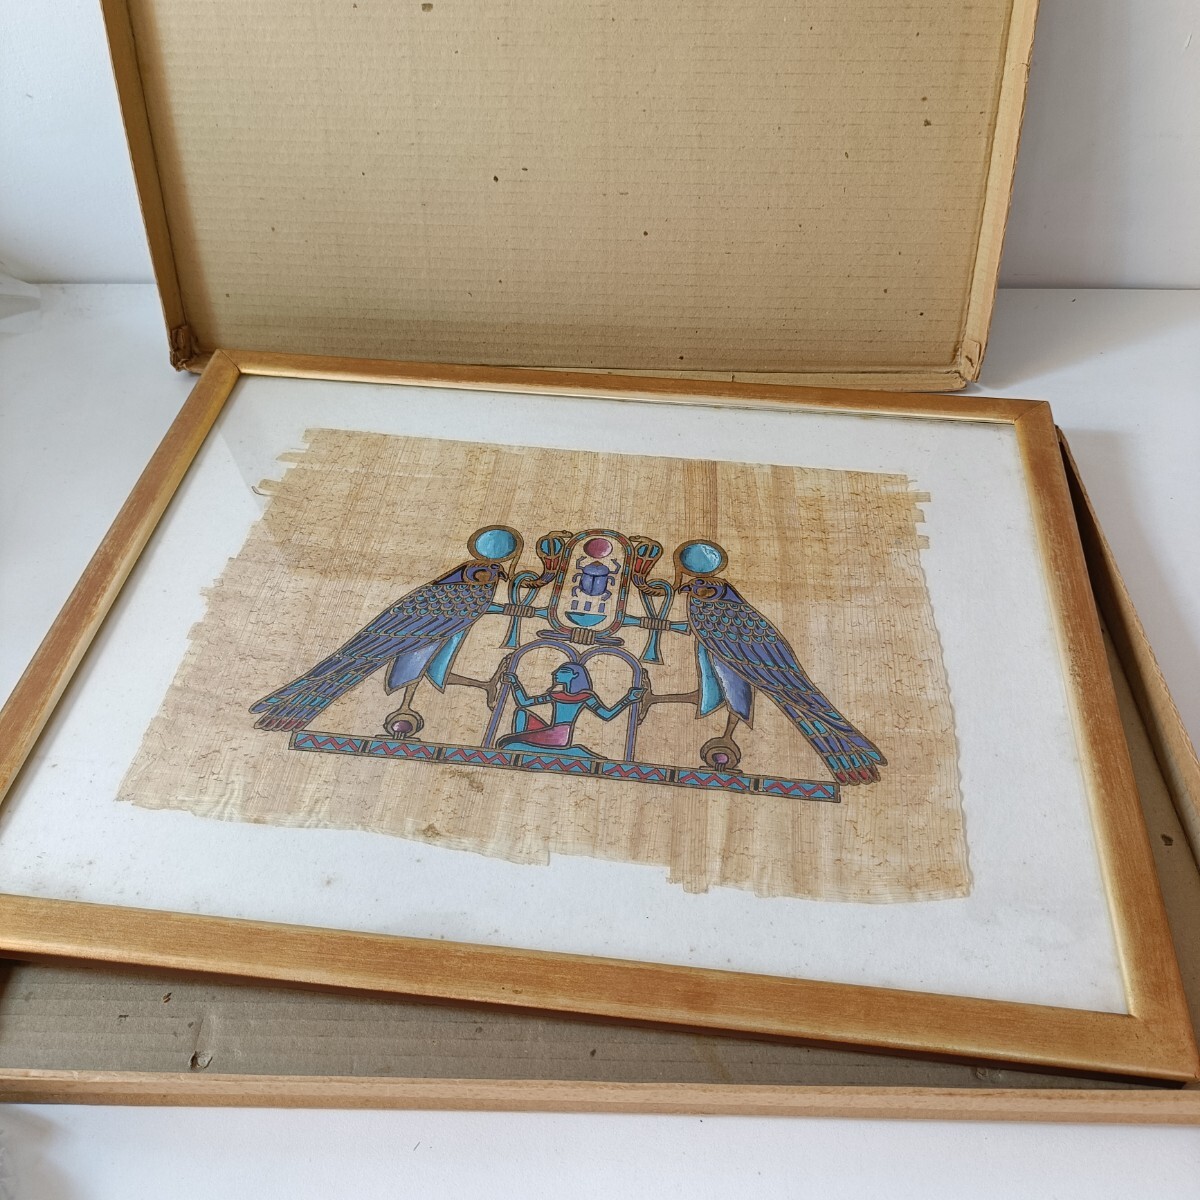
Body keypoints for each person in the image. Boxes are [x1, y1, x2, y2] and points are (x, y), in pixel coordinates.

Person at [497, 662, 645, 759]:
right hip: (550, 731)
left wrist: (629, 699)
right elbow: (524, 702)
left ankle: (520, 746)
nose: (555, 673)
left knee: (509, 743)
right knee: (521, 712)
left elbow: (607, 715)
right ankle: (519, 745)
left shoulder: (585, 697)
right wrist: (515, 683)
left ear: (575, 675)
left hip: (559, 736)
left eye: (563, 671)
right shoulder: (556, 695)